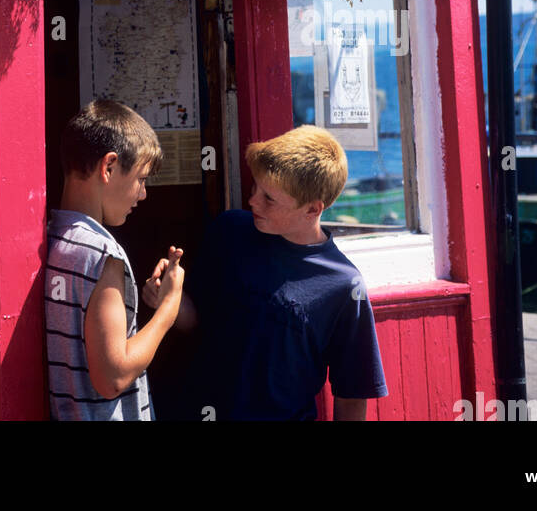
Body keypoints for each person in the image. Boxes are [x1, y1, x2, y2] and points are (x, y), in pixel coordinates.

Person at [146, 124, 387, 421]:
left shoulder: (344, 285)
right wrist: (168, 299)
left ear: (312, 209)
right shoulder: (229, 231)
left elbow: (352, 395)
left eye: (269, 199)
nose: (252, 201)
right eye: (254, 188)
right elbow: (197, 323)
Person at [45, 99, 185, 420]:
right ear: (108, 167)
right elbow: (113, 378)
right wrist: (168, 310)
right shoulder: (104, 254)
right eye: (141, 179)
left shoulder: (54, 236)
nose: (143, 194)